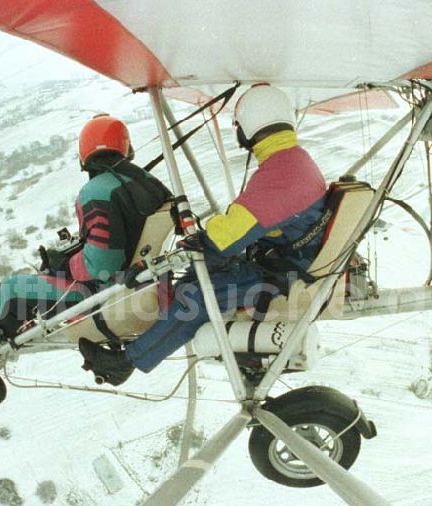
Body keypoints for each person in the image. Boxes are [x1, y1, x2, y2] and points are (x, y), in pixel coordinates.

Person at [79, 84, 328, 385]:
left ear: (249, 126)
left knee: (193, 296)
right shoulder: (291, 161)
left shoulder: (281, 174)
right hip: (285, 260)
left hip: (285, 275)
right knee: (199, 275)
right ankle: (158, 333)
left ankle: (126, 363)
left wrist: (200, 242)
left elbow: (225, 240)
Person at [0, 114, 171, 344]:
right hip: (138, 278)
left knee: (10, 290)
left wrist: (65, 263)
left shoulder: (96, 192)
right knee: (13, 287)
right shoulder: (146, 182)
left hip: (105, 292)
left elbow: (102, 266)